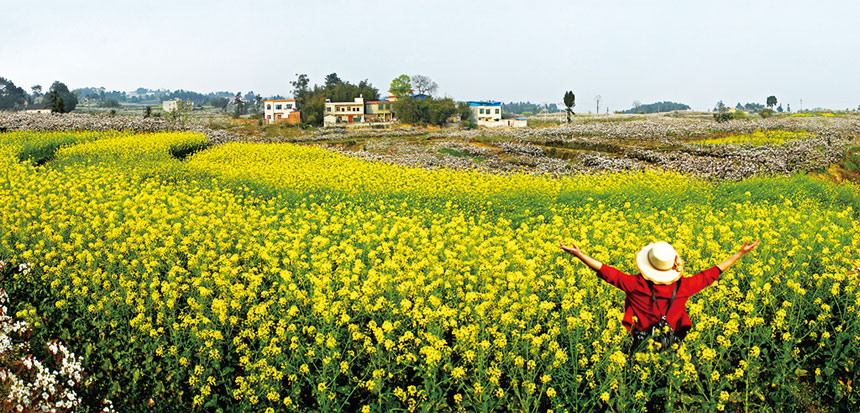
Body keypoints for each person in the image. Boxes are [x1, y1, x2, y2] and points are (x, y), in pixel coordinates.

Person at [559, 239, 760, 352]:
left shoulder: (636, 285)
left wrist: (580, 255)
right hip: (670, 341)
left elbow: (608, 273)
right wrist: (740, 253)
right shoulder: (685, 287)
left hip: (641, 341)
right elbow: (712, 273)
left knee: (638, 372)